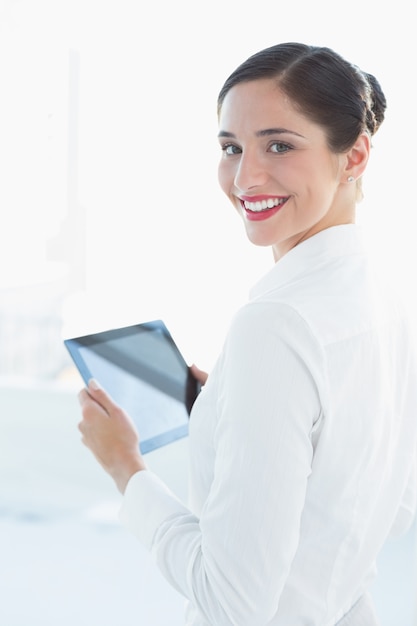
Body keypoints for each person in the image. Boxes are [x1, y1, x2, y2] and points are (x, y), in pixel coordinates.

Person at [77, 42, 417, 625]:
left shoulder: (277, 327)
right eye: (231, 147)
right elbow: (383, 508)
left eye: (279, 145)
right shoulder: (386, 300)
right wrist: (235, 412)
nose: (245, 176)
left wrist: (125, 468)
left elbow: (234, 604)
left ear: (355, 156)